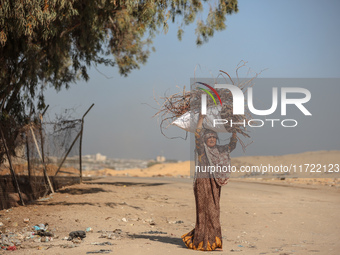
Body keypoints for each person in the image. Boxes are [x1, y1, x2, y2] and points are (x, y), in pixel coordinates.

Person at [182, 113, 237, 251]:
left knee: (214, 212)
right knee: (203, 212)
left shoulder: (219, 150)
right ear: (205, 140)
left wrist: (235, 129)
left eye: (214, 137)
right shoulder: (201, 149)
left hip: (215, 184)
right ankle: (202, 242)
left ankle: (215, 242)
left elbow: (232, 145)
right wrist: (201, 118)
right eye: (209, 137)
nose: (212, 139)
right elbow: (198, 135)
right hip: (202, 184)